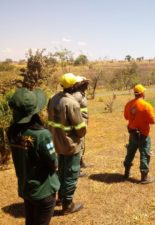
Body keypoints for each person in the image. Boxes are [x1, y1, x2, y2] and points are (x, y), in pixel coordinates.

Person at [7, 87, 60, 225]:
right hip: (44, 190)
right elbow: (53, 163)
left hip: (26, 187)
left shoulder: (12, 132)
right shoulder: (42, 135)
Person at [47, 73, 86, 214]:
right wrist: (81, 135)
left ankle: (60, 197)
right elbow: (80, 129)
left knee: (61, 170)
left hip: (56, 142)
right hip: (70, 145)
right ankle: (67, 205)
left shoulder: (53, 98)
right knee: (71, 172)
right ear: (74, 86)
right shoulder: (72, 103)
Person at [123, 84, 155, 184]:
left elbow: (126, 117)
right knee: (145, 154)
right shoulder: (146, 105)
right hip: (144, 134)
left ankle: (126, 173)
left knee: (130, 152)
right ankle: (144, 177)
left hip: (132, 133)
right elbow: (152, 120)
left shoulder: (128, 104)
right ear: (142, 93)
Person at [72, 76, 93, 177]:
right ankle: (77, 170)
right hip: (78, 125)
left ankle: (81, 162)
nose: (87, 85)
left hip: (83, 124)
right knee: (79, 145)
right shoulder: (76, 96)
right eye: (85, 83)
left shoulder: (81, 94)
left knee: (83, 145)